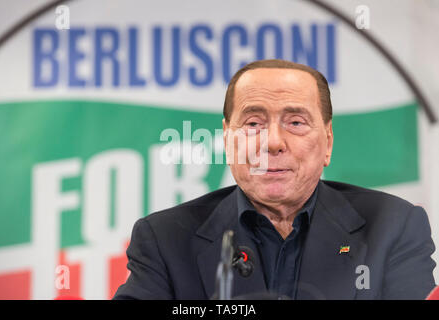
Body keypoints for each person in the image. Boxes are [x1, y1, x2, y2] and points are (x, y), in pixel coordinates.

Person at [113, 59, 436, 300]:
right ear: (227, 140)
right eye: (253, 123)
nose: (273, 142)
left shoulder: (393, 225)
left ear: (328, 141)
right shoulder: (165, 239)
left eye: (296, 122)